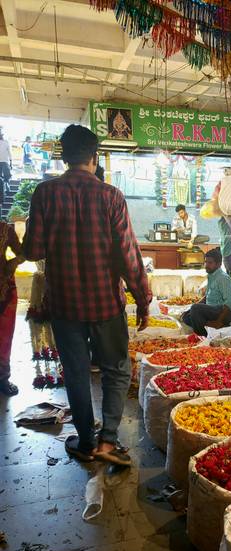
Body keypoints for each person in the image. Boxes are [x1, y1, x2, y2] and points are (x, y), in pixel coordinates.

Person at [23, 124, 151, 466]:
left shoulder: (43, 194)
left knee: (77, 372)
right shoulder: (111, 196)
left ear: (64, 157)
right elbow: (128, 255)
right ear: (95, 158)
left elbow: (33, 250)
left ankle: (86, 441)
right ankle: (109, 442)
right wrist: (143, 297)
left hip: (65, 305)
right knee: (116, 369)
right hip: (106, 304)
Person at [182, 248, 231, 336]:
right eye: (206, 262)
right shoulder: (211, 275)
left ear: (218, 264)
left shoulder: (223, 278)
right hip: (212, 310)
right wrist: (190, 309)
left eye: (210, 263)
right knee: (186, 316)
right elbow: (207, 297)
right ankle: (208, 326)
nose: (206, 265)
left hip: (224, 312)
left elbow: (229, 303)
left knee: (195, 309)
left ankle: (204, 335)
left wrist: (218, 321)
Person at [0, 221, 24, 395]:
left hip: (3, 288)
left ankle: (2, 378)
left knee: (3, 334)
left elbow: (23, 253)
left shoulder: (4, 229)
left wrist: (13, 262)